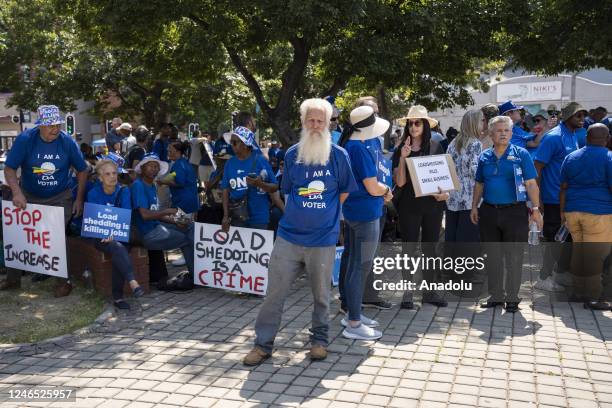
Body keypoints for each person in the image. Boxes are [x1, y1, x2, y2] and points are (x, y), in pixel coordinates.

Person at [243, 98, 357, 366]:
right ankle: (262, 345)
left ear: (328, 124)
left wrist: (326, 217)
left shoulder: (339, 155)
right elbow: (287, 190)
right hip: (288, 237)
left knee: (321, 296)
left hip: (323, 239)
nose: (315, 125)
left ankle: (319, 341)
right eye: (311, 120)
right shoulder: (292, 154)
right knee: (274, 294)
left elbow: (343, 191)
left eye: (320, 121)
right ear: (303, 122)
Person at [1, 105, 88, 296]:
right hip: (29, 195)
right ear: (39, 126)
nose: (55, 129)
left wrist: (79, 199)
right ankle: (13, 280)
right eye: (50, 126)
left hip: (59, 197)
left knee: (55, 235)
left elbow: (82, 169)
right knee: (19, 233)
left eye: (57, 125)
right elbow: (9, 169)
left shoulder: (67, 142)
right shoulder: (26, 139)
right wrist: (16, 192)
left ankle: (64, 281)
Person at [470, 115, 543, 313]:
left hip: (515, 212)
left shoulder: (521, 154)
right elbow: (479, 183)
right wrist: (474, 206)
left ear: (511, 133)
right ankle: (496, 295)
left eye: (507, 130)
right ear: (491, 134)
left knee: (514, 257)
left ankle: (512, 298)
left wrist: (536, 210)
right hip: (489, 212)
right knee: (492, 256)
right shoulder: (485, 156)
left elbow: (531, 183)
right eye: (499, 130)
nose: (503, 134)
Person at [339, 105, 392, 341]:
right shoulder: (358, 148)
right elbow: (372, 186)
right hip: (365, 213)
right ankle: (354, 322)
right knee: (360, 267)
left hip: (353, 211)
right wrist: (387, 190)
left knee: (353, 265)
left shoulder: (349, 144)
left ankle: (353, 313)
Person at [393, 105, 449, 309]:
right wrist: (403, 157)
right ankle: (407, 293)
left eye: (417, 123)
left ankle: (429, 292)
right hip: (409, 205)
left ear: (425, 125)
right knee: (409, 248)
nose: (413, 126)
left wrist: (445, 193)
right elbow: (399, 183)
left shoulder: (436, 146)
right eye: (410, 123)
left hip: (433, 206)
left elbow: (444, 178)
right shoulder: (401, 148)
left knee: (430, 249)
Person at [533, 102, 587, 292]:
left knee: (568, 238)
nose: (581, 119)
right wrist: (537, 198)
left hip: (569, 198)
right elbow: (537, 168)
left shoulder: (573, 135)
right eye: (577, 116)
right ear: (567, 117)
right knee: (555, 239)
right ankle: (542, 277)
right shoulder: (553, 137)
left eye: (582, 116)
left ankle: (560, 273)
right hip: (553, 198)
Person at [559, 123, 612, 310]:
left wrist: (562, 212)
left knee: (579, 252)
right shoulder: (609, 157)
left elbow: (563, 187)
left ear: (587, 137)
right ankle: (594, 297)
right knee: (595, 255)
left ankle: (578, 292)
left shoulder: (571, 157)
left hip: (572, 211)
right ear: (607, 139)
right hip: (599, 213)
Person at [86, 159, 144, 309]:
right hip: (100, 236)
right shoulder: (93, 193)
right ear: (100, 177)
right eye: (107, 174)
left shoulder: (124, 191)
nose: (112, 177)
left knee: (119, 247)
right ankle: (132, 283)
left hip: (121, 232)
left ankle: (119, 297)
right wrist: (107, 231)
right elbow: (94, 218)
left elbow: (125, 215)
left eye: (114, 173)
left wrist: (114, 231)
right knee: (118, 247)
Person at [131, 153, 195, 280]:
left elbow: (156, 214)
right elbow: (144, 215)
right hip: (146, 233)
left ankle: (198, 272)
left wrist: (175, 221)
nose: (154, 169)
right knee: (186, 239)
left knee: (189, 226)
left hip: (156, 226)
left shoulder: (153, 185)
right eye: (150, 166)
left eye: (156, 166)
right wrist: (166, 211)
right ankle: (195, 275)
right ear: (143, 168)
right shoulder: (138, 185)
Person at [221, 127, 277, 230]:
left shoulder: (260, 161)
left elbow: (274, 187)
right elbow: (225, 190)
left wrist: (260, 184)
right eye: (231, 142)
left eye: (234, 142)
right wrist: (225, 216)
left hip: (259, 219)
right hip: (237, 218)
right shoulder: (229, 163)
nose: (231, 145)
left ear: (245, 145)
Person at [446, 109, 483, 243]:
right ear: (474, 123)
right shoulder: (476, 144)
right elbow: (475, 171)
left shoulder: (452, 143)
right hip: (470, 198)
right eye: (481, 121)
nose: (483, 124)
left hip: (452, 196)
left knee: (452, 239)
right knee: (468, 241)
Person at [157, 140, 199, 216]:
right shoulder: (183, 162)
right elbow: (174, 175)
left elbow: (180, 183)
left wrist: (163, 182)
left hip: (184, 203)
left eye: (170, 151)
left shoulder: (178, 164)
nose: (168, 153)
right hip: (190, 201)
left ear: (177, 152)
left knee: (182, 225)